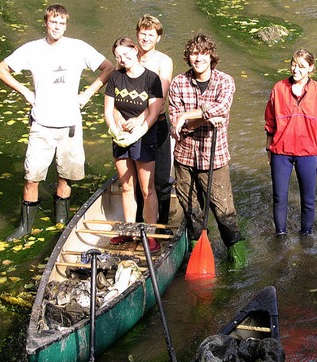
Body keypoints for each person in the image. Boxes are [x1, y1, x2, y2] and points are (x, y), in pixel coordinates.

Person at [0, 3, 114, 241]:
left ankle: (61, 222)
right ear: (46, 23)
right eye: (53, 22)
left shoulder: (78, 48)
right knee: (31, 177)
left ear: (66, 25)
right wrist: (25, 92)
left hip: (70, 124)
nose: (57, 27)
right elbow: (1, 69)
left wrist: (87, 94)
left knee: (65, 175)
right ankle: (25, 227)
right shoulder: (32, 49)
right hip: (41, 124)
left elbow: (108, 68)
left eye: (61, 23)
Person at [168, 33, 246, 267]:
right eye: (193, 53)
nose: (198, 58)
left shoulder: (225, 81)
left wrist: (186, 116)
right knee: (191, 211)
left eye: (203, 53)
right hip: (183, 158)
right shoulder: (178, 83)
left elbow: (221, 108)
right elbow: (177, 128)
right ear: (188, 57)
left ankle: (238, 261)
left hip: (215, 159)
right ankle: (197, 256)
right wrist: (202, 117)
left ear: (211, 56)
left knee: (224, 213)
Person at [104, 37, 163, 251]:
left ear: (136, 52)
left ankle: (150, 234)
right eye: (118, 56)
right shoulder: (115, 78)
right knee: (127, 185)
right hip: (121, 137)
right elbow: (109, 109)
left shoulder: (151, 78)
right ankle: (129, 231)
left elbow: (154, 112)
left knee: (147, 189)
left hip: (144, 136)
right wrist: (115, 127)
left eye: (127, 55)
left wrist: (139, 131)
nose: (123, 59)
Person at [264, 49, 317, 235]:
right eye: (293, 64)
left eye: (301, 66)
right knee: (279, 197)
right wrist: (268, 148)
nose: (295, 69)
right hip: (280, 152)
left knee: (308, 200)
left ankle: (306, 236)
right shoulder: (279, 88)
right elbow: (269, 120)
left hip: (308, 152)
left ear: (311, 68)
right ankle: (280, 235)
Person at [134, 14, 175, 225]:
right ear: (137, 34)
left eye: (151, 34)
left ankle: (163, 224)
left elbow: (161, 95)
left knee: (160, 179)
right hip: (132, 127)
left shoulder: (163, 61)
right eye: (143, 33)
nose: (146, 38)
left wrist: (141, 118)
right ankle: (138, 223)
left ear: (158, 37)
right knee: (136, 182)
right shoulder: (129, 57)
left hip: (156, 125)